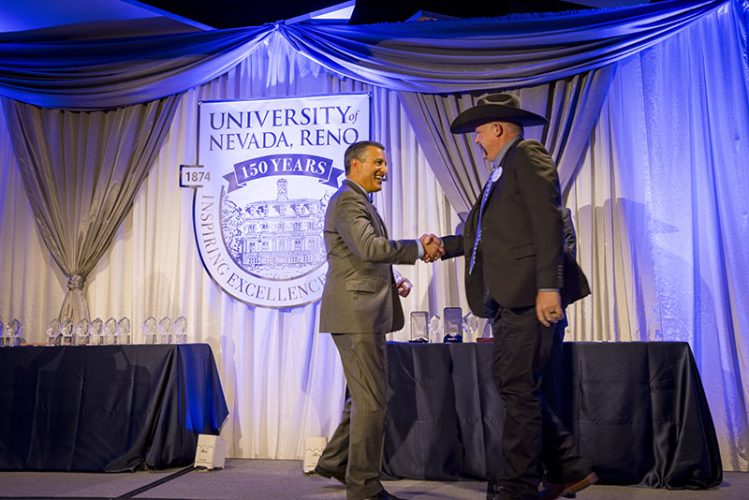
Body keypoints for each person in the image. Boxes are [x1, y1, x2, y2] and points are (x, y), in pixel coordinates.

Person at [437, 93, 597, 500]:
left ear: (497, 128)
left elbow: (549, 223)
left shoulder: (527, 155)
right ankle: (569, 468)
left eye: (478, 132)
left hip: (531, 295)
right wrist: (440, 245)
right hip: (509, 299)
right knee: (515, 385)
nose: (475, 141)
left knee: (519, 389)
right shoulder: (499, 173)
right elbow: (482, 238)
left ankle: (518, 487)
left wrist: (549, 287)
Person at [312, 140, 443, 500]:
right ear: (355, 165)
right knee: (372, 402)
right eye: (378, 162)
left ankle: (338, 462)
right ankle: (364, 487)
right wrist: (418, 247)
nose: (384, 168)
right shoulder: (348, 200)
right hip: (356, 316)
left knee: (363, 397)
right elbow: (369, 248)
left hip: (362, 312)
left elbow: (359, 257)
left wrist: (392, 278)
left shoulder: (357, 201)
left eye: (386, 162)